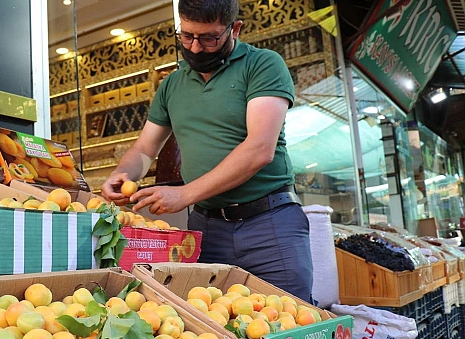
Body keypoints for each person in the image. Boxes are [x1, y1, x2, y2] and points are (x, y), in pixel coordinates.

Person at [101, 0, 313, 301]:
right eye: (186, 36)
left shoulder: (263, 64)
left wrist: (185, 194)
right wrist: (123, 173)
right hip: (205, 227)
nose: (196, 48)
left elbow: (259, 149)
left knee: (293, 326)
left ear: (234, 29)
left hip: (269, 223)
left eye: (209, 38)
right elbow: (145, 149)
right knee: (210, 325)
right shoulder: (171, 85)